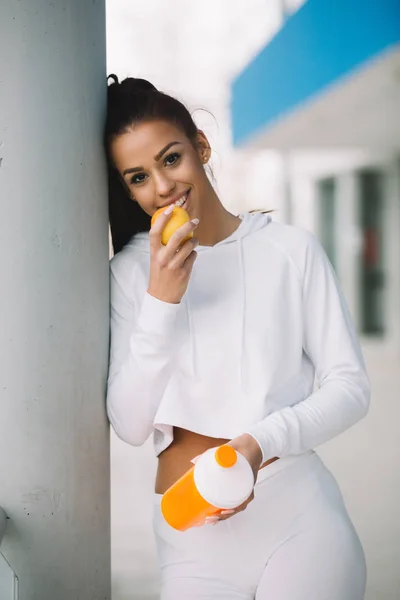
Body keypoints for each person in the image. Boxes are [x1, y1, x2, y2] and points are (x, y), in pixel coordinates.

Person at [104, 75, 370, 600]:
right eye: (137, 177)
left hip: (295, 512)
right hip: (189, 531)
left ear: (201, 146)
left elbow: (350, 387)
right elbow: (130, 425)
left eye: (171, 159)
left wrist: (258, 443)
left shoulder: (290, 250)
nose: (160, 186)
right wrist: (162, 298)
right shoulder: (130, 274)